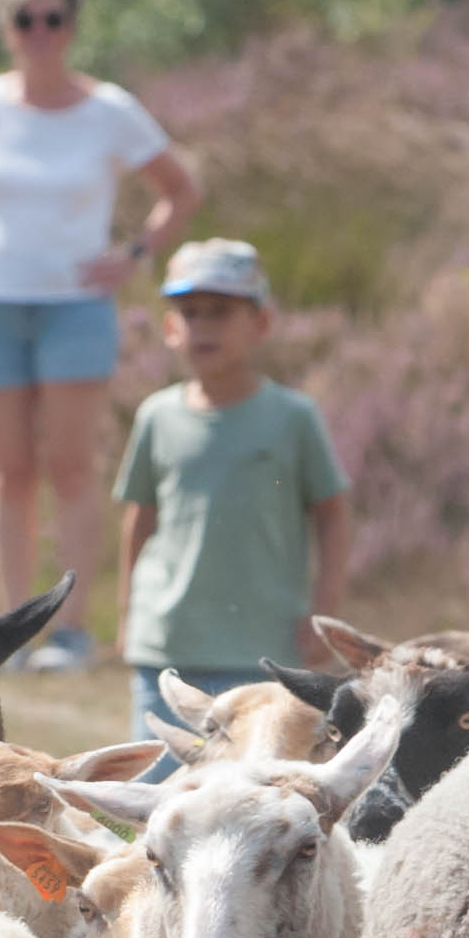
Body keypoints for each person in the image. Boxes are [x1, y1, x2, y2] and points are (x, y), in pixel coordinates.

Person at [0, 0, 202, 674]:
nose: (39, 32)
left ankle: (70, 629)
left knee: (70, 466)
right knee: (7, 469)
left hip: (76, 308)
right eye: (25, 20)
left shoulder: (109, 110)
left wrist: (134, 253)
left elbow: (180, 189)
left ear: (71, 27)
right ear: (5, 29)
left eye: (54, 19)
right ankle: (11, 629)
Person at [113, 240, 350, 744]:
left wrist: (323, 610)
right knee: (156, 781)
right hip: (167, 648)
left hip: (262, 651)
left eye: (220, 312)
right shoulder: (157, 416)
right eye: (190, 313)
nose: (203, 327)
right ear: (170, 328)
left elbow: (332, 514)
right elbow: (141, 518)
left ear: (260, 323)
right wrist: (128, 613)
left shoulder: (293, 418)